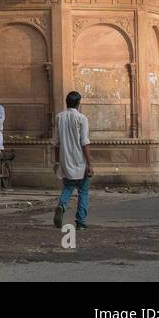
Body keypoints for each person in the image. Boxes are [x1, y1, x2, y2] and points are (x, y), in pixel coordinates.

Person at [53, 91, 93, 229]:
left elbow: (57, 143)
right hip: (80, 161)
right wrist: (90, 164)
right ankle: (81, 222)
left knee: (68, 187)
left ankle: (61, 205)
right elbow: (84, 142)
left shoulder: (59, 117)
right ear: (78, 103)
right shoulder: (82, 119)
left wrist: (57, 161)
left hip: (65, 160)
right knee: (83, 192)